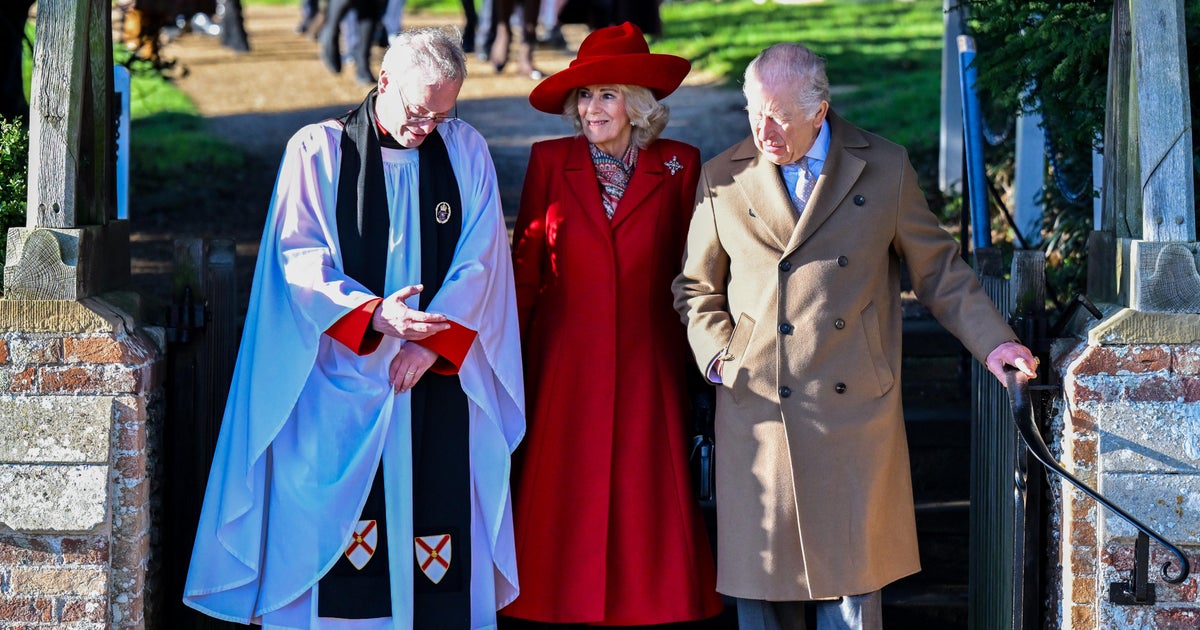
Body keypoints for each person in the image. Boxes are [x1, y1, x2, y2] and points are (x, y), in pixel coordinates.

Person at [671, 42, 1039, 630]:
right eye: (754, 112)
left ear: (819, 110)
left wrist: (996, 344)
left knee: (851, 596)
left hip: (852, 415)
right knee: (764, 599)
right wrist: (720, 358)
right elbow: (695, 289)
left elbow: (939, 271)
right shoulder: (723, 177)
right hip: (757, 410)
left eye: (780, 116)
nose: (764, 129)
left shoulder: (884, 166)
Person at [183, 27, 525, 629]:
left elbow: (483, 257)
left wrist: (431, 346)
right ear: (384, 80)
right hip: (338, 374)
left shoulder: (464, 149)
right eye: (419, 112)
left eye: (442, 115)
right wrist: (374, 315)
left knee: (434, 528)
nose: (427, 128)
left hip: (432, 379)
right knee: (336, 545)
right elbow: (300, 260)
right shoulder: (317, 151)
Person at [503, 21, 723, 627]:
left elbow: (694, 269)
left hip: (649, 359)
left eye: (606, 94)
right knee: (561, 491)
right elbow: (526, 268)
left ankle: (654, 605)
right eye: (584, 96)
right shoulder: (548, 160)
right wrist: (509, 359)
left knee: (645, 490)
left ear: (638, 102)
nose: (591, 108)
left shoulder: (681, 164)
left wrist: (700, 357)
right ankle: (553, 602)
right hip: (564, 363)